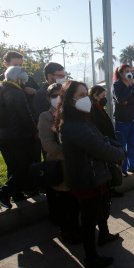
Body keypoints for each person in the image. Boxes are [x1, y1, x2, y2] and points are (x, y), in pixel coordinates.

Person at [58, 80, 125, 268]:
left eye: (86, 94)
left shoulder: (82, 119)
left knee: (100, 208)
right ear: (70, 100)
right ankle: (91, 257)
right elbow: (99, 147)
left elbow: (101, 138)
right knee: (88, 220)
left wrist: (116, 146)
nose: (85, 98)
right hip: (87, 178)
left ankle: (103, 236)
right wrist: (120, 153)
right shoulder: (73, 125)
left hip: (94, 174)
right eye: (80, 95)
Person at [38, 83, 80, 243]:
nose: (58, 98)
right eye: (54, 95)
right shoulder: (45, 116)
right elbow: (48, 145)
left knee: (75, 200)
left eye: (61, 95)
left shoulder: (70, 113)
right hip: (59, 165)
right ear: (48, 98)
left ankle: (77, 228)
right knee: (64, 202)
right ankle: (67, 232)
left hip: (74, 165)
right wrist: (69, 152)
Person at [0, 66, 37, 209]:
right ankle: (5, 192)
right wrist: (35, 130)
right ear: (17, 79)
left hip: (3, 137)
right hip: (18, 136)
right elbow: (25, 115)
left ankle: (16, 194)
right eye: (22, 80)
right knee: (24, 166)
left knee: (13, 166)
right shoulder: (16, 92)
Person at [112, 64, 134, 176]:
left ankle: (132, 166)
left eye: (130, 71)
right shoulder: (117, 85)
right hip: (122, 120)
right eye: (126, 71)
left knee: (132, 144)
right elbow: (121, 100)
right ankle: (123, 169)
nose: (129, 73)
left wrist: (129, 100)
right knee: (121, 145)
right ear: (120, 74)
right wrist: (128, 89)